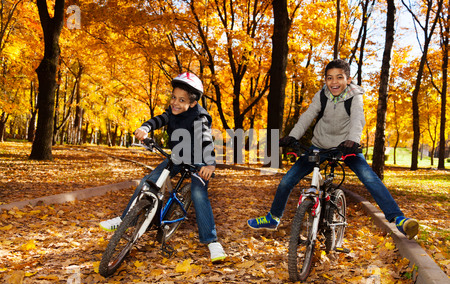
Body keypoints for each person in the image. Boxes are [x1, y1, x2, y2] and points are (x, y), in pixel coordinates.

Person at [247, 59, 419, 240]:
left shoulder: (355, 96)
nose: (334, 82)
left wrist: (352, 141)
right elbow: (308, 116)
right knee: (286, 181)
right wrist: (293, 136)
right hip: (319, 146)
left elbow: (357, 119)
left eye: (339, 77)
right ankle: (273, 218)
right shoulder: (321, 95)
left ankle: (398, 218)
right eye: (329, 78)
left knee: (369, 178)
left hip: (346, 146)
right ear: (325, 80)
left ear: (348, 79)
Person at [100, 72, 227, 262]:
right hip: (178, 155)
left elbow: (206, 140)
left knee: (198, 194)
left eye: (181, 100)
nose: (175, 102)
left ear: (192, 103)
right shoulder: (172, 110)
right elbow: (159, 119)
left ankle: (212, 243)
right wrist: (145, 128)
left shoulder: (200, 116)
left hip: (198, 160)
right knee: (148, 181)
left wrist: (210, 164)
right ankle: (125, 219)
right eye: (173, 97)